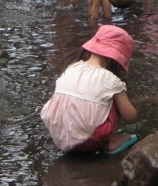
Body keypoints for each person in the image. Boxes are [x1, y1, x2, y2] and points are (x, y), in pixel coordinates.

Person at [39, 25, 139, 155]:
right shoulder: (111, 80)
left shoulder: (72, 68)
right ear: (115, 58)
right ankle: (112, 141)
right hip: (89, 139)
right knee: (113, 100)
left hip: (59, 136)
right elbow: (130, 116)